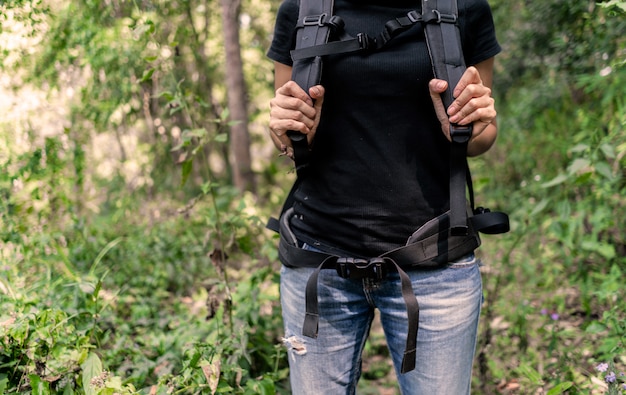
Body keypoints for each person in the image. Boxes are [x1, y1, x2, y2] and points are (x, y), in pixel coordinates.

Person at [267, 0, 501, 393]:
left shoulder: (464, 7)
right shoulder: (302, 9)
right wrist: (289, 131)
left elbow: (482, 135)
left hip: (436, 265)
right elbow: (289, 137)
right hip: (318, 263)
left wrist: (471, 127)